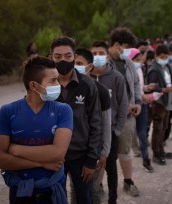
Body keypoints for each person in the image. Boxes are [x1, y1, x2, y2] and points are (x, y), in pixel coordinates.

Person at [0, 57, 73, 204]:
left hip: (52, 191)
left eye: (58, 80)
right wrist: (41, 163)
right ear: (34, 86)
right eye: (53, 80)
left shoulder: (63, 110)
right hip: (20, 191)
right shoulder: (8, 112)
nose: (58, 85)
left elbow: (58, 153)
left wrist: (15, 149)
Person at [50, 36, 102, 204]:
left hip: (81, 157)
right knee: (56, 199)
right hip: (53, 157)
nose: (63, 60)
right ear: (51, 57)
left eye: (68, 56)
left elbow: (96, 123)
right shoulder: (46, 86)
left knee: (84, 199)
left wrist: (91, 159)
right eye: (58, 57)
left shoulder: (87, 84)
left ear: (74, 57)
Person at [90, 40, 129, 204]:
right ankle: (95, 192)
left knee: (111, 167)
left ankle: (112, 199)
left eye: (100, 53)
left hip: (111, 131)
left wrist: (118, 130)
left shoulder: (116, 77)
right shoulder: (86, 77)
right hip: (90, 132)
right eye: (94, 54)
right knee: (91, 166)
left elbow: (123, 104)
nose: (97, 57)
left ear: (107, 56)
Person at [73, 47, 112, 204]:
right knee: (75, 189)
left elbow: (105, 123)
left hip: (93, 152)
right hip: (74, 152)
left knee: (94, 190)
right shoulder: (67, 89)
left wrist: (104, 152)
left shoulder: (100, 90)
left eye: (79, 63)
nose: (75, 66)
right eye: (74, 63)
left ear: (89, 67)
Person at [107, 27, 142, 197]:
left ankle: (128, 181)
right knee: (104, 153)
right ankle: (98, 186)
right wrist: (121, 106)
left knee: (125, 149)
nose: (128, 52)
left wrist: (138, 102)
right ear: (116, 45)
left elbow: (135, 83)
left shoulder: (127, 63)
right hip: (108, 118)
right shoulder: (103, 64)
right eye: (126, 47)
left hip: (128, 117)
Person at [147, 45, 172, 165]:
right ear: (156, 56)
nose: (164, 59)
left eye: (166, 57)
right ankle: (156, 154)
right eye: (162, 57)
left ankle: (161, 150)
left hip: (167, 102)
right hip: (159, 103)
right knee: (157, 129)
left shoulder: (166, 66)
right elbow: (152, 88)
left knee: (164, 128)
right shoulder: (153, 70)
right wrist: (164, 90)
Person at [128, 48, 156, 172]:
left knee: (142, 133)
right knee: (127, 134)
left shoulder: (139, 69)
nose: (139, 62)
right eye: (136, 60)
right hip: (129, 106)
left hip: (142, 105)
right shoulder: (126, 71)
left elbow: (138, 88)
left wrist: (146, 87)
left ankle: (146, 160)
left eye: (140, 60)